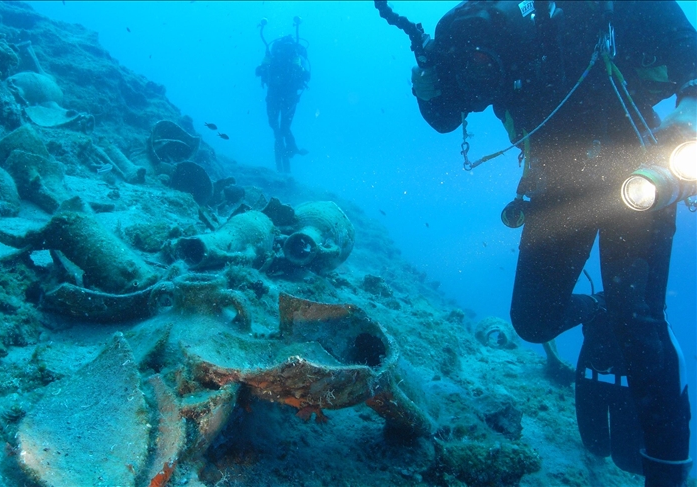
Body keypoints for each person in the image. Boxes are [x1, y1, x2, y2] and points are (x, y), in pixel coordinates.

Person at [377, 1, 696, 486]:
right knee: (532, 320)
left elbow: (691, 55)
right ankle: (599, 312)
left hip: (638, 178)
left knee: (640, 323)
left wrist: (688, 117)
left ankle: (668, 472)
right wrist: (425, 89)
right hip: (553, 186)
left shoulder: (622, 7)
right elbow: (446, 113)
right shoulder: (472, 26)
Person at [255, 17, 310, 173]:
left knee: (277, 129)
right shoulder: (295, 58)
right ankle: (288, 158)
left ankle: (283, 162)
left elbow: (259, 71)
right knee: (283, 128)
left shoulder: (273, 56)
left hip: (275, 96)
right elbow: (306, 77)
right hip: (290, 98)